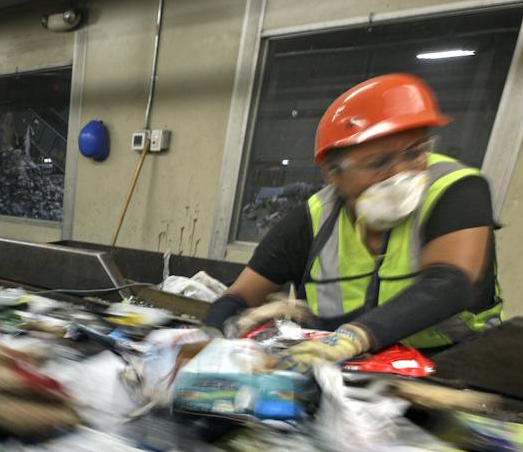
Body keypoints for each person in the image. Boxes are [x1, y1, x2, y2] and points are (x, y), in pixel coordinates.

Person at [205, 73, 501, 370]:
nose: (400, 173)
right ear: (333, 172)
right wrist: (213, 337)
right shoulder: (313, 219)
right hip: (347, 373)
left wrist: (353, 337)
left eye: (414, 153)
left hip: (455, 368)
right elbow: (240, 295)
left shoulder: (455, 189)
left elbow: (449, 283)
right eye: (378, 162)